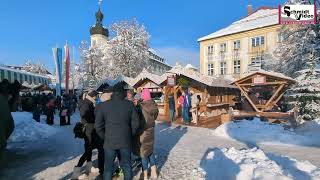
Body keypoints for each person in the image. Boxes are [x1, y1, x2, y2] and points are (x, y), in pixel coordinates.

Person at [95, 83, 140, 180]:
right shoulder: (129, 105)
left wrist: (104, 137)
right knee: (127, 166)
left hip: (109, 141)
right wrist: (129, 134)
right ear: (123, 93)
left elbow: (98, 126)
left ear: (113, 93)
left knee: (108, 168)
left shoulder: (103, 105)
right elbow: (136, 124)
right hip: (125, 141)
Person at [72, 90, 102, 178]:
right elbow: (85, 117)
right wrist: (95, 117)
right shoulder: (86, 104)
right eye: (96, 96)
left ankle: (89, 166)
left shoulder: (89, 103)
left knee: (89, 149)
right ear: (93, 96)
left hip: (90, 130)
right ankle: (76, 171)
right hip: (88, 130)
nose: (97, 98)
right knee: (88, 150)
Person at [135, 88, 159, 180]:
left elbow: (137, 120)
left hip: (143, 132)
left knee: (143, 154)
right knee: (150, 151)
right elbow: (155, 117)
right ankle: (154, 173)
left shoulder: (141, 106)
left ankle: (145, 176)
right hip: (151, 130)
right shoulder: (154, 105)